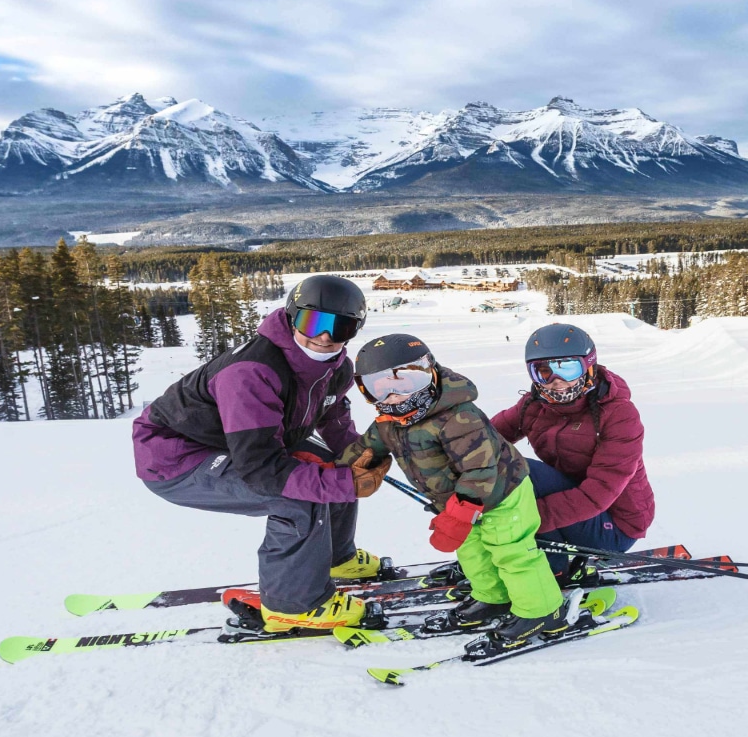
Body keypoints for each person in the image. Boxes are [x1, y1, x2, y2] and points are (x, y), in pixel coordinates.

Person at [131, 275, 391, 633]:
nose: (325, 337)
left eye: (341, 326)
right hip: (176, 456)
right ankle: (293, 604)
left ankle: (335, 558)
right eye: (313, 322)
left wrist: (361, 455)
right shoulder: (252, 371)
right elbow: (262, 469)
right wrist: (342, 483)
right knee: (299, 495)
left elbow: (332, 418)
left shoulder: (336, 367)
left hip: (244, 439)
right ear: (290, 316)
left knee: (334, 467)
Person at [338, 334, 566, 650]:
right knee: (472, 550)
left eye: (407, 381)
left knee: (510, 551)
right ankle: (493, 597)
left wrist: (461, 514)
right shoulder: (389, 422)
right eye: (381, 387)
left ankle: (542, 611)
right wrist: (337, 469)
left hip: (501, 494)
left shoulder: (459, 417)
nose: (395, 395)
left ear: (431, 374)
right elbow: (365, 448)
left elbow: (480, 470)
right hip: (456, 502)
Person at [490, 323, 654, 578]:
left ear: (589, 366)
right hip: (573, 509)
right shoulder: (534, 404)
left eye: (567, 368)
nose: (557, 382)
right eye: (543, 371)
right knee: (502, 464)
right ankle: (523, 552)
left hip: (616, 525)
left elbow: (597, 495)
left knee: (523, 472)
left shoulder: (619, 415)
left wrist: (522, 518)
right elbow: (486, 441)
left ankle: (554, 570)